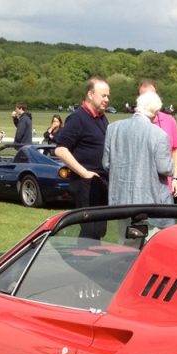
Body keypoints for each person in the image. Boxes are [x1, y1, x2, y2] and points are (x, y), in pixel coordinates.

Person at [54, 77, 111, 238]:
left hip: (101, 183)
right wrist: (84, 172)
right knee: (90, 230)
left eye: (108, 96)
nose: (107, 99)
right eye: (103, 95)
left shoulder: (101, 118)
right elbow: (61, 149)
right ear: (91, 94)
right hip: (86, 185)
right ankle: (83, 261)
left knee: (99, 230)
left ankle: (95, 261)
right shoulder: (78, 118)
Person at [102, 90, 172, 206]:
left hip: (118, 200)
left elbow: (106, 164)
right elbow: (164, 168)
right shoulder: (159, 135)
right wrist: (172, 164)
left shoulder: (113, 128)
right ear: (155, 112)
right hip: (149, 201)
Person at [138, 80, 177, 201]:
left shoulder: (169, 120)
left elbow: (176, 150)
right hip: (142, 189)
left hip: (166, 186)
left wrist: (175, 178)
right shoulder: (134, 123)